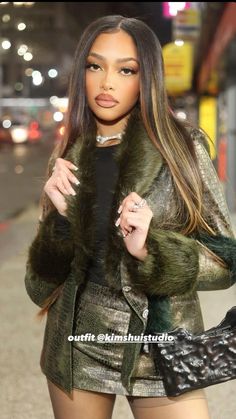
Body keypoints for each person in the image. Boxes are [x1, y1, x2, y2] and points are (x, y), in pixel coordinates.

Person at [24, 15, 236, 419]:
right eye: (94, 65)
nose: (106, 82)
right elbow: (39, 289)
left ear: (147, 78)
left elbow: (227, 264)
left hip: (160, 348)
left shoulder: (182, 149)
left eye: (126, 70)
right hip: (76, 347)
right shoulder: (68, 155)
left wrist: (152, 250)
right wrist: (59, 225)